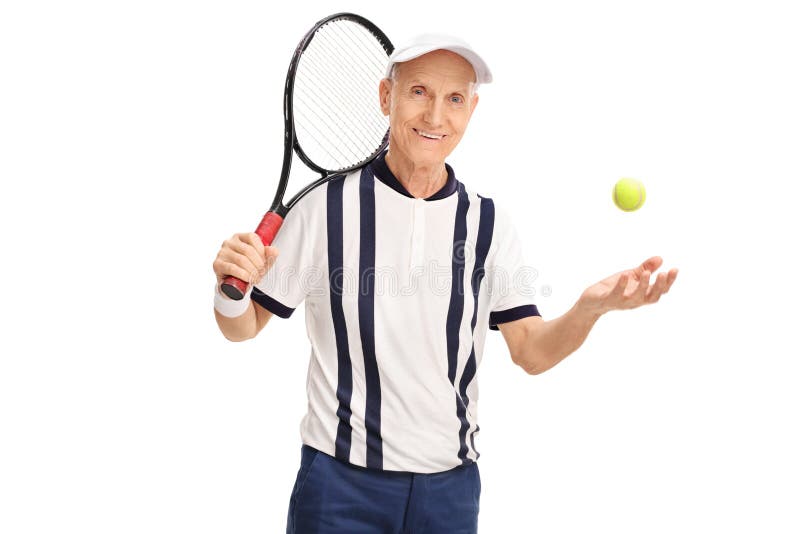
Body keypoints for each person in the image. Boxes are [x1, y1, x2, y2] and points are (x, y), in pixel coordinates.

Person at [212, 33, 678, 534]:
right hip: (339, 488)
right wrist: (227, 290)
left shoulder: (488, 223)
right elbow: (242, 326)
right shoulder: (324, 208)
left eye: (455, 99)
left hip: (450, 493)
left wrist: (590, 308)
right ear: (386, 97)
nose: (436, 117)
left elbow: (532, 353)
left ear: (471, 110)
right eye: (418, 92)